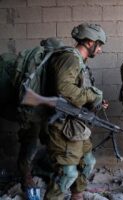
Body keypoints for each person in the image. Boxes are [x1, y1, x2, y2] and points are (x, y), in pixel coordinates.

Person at [43, 23, 108, 200]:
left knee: (88, 162)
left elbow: (78, 92)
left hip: (76, 124)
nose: (100, 49)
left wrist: (96, 101)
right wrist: (92, 95)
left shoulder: (80, 62)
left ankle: (77, 196)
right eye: (99, 45)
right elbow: (64, 89)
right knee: (68, 173)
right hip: (63, 125)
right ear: (89, 42)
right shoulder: (71, 58)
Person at [15, 37, 65, 191]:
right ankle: (26, 178)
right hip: (33, 113)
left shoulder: (52, 65)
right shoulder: (38, 67)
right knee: (30, 142)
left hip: (45, 112)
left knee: (49, 139)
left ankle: (42, 170)